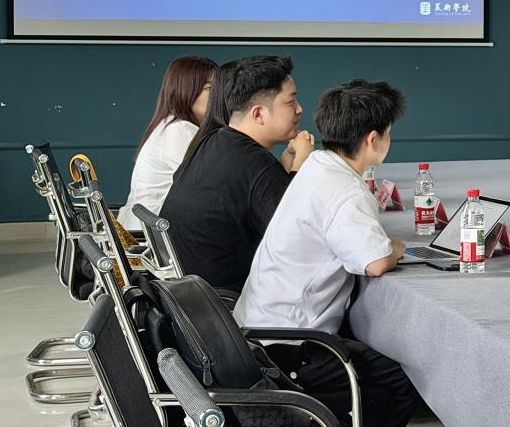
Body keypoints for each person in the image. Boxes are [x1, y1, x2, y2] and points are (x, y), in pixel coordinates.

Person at [239, 80, 420, 426]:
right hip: (290, 346)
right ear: (373, 139)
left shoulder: (318, 165)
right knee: (406, 380)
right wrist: (397, 249)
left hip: (257, 328)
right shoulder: (345, 191)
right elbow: (375, 262)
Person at [161, 55, 314, 294]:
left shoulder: (212, 140)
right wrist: (301, 166)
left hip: (185, 295)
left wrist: (285, 167)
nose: (299, 109)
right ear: (258, 114)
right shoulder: (256, 164)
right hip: (229, 303)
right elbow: (298, 241)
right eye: (290, 101)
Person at [117, 55, 217, 231]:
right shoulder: (180, 130)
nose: (218, 96)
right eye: (210, 88)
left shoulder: (169, 125)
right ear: (186, 90)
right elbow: (213, 185)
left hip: (148, 230)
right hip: (153, 236)